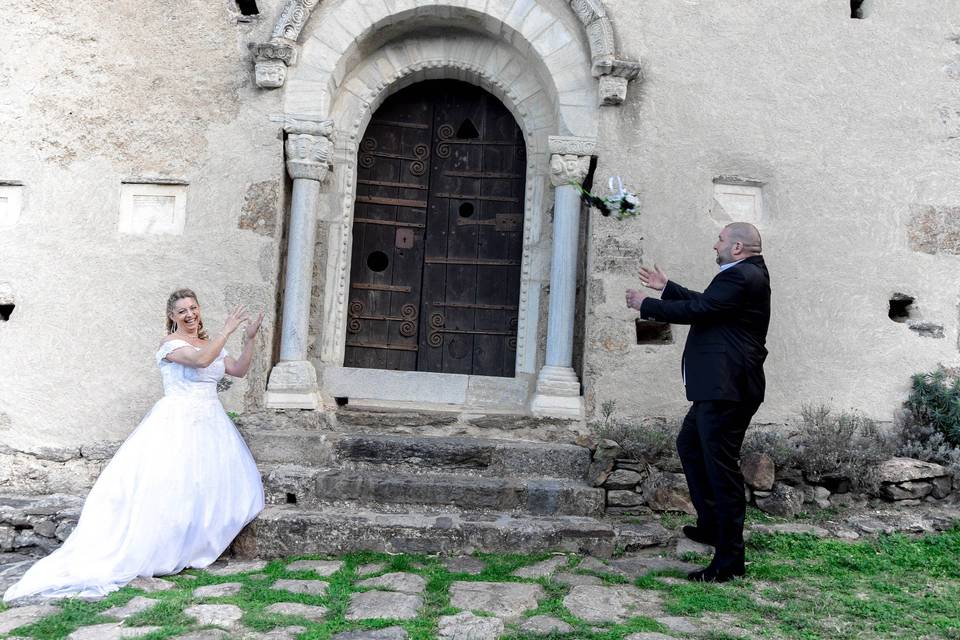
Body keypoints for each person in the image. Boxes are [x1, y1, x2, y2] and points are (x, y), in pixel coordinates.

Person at [4, 289, 266, 601]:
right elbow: (201, 360)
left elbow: (237, 370)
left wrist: (249, 339)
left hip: (212, 424)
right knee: (167, 486)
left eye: (193, 308)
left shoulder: (208, 343)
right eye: (182, 310)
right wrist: (226, 329)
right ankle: (159, 547)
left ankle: (195, 543)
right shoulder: (170, 345)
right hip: (177, 422)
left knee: (202, 488)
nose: (190, 314)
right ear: (171, 316)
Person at [626, 222, 771, 583]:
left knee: (722, 471)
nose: (714, 245)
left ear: (737, 247)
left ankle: (729, 561)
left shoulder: (742, 277)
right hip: (719, 389)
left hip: (728, 390)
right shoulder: (741, 276)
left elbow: (702, 309)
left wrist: (648, 304)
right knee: (689, 444)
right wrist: (668, 288)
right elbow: (710, 306)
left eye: (720, 240)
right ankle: (710, 526)